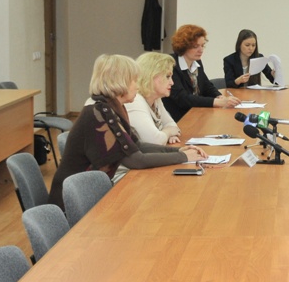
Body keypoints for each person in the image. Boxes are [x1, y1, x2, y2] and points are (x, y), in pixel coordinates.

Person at [49, 54, 207, 210]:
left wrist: (179, 151)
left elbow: (137, 145)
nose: (138, 86)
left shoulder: (111, 107)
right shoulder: (98, 114)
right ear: (120, 82)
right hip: (73, 205)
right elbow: (136, 160)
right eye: (134, 80)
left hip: (90, 196)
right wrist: (183, 157)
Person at [163, 24, 241, 121]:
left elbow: (206, 85)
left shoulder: (197, 62)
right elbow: (182, 98)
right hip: (179, 117)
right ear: (183, 46)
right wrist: (217, 102)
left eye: (202, 45)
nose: (201, 50)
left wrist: (219, 96)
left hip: (197, 113)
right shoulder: (171, 64)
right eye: (196, 46)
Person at [126, 52, 182, 146]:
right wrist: (168, 132)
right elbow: (154, 141)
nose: (172, 82)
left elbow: (172, 125)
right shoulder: (135, 101)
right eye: (167, 76)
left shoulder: (155, 99)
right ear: (151, 75)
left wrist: (167, 135)